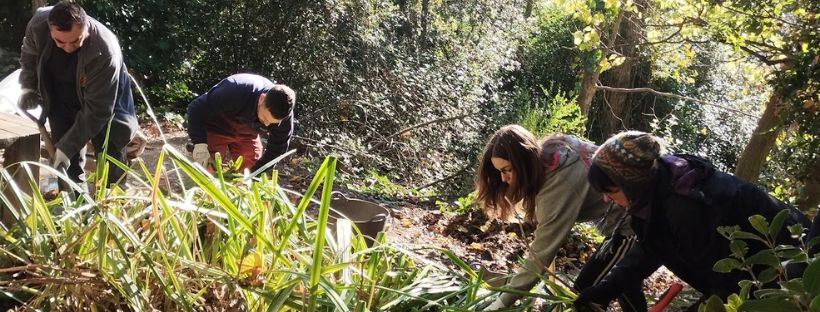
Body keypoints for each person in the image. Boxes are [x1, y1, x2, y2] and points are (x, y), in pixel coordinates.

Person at [575, 131, 812, 311]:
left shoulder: (690, 206)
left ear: (631, 183)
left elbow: (728, 283)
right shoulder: (658, 187)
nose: (606, 198)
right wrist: (606, 289)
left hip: (793, 274)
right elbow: (651, 246)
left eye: (610, 190)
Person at [474, 125, 647, 310]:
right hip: (627, 221)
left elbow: (541, 254)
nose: (503, 178)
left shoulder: (558, 184)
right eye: (499, 171)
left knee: (585, 295)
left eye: (507, 169)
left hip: (634, 223)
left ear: (522, 161)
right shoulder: (552, 152)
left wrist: (500, 304)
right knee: (624, 282)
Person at [18, 1, 138, 186]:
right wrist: (28, 87)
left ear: (86, 27)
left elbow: (98, 111)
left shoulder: (105, 51)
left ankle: (114, 205)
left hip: (107, 103)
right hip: (60, 97)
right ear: (50, 30)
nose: (68, 48)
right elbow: (29, 55)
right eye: (60, 41)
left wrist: (65, 148)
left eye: (76, 41)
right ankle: (73, 207)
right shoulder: (38, 25)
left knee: (110, 158)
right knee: (67, 168)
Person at [186, 73, 295, 172]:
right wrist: (200, 144)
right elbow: (196, 108)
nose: (266, 125)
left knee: (250, 165)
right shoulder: (234, 90)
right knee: (209, 169)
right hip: (217, 127)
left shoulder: (285, 115)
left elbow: (276, 151)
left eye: (273, 123)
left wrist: (253, 175)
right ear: (262, 99)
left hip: (248, 134)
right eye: (265, 119)